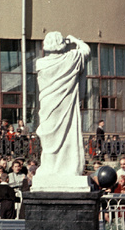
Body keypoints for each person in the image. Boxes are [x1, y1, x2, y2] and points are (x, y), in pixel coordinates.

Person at [32, 32, 91, 190]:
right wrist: (75, 40)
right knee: (66, 138)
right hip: (64, 106)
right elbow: (86, 50)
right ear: (62, 43)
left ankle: (51, 169)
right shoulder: (71, 58)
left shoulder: (41, 63)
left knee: (49, 141)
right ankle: (68, 169)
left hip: (48, 107)